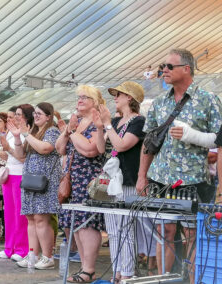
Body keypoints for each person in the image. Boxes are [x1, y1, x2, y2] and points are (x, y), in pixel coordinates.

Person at [136, 49, 222, 283]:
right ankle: (164, 279)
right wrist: (141, 176)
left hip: (195, 180)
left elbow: (220, 141)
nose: (164, 70)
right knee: (164, 232)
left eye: (169, 66)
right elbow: (149, 143)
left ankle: (193, 281)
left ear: (186, 69)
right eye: (163, 65)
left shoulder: (208, 99)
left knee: (193, 234)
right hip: (161, 180)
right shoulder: (159, 102)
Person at [93, 82, 154, 281]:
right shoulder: (117, 121)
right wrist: (101, 127)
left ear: (130, 98)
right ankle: (117, 272)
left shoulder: (139, 121)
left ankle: (126, 274)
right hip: (113, 181)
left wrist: (108, 124)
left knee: (127, 230)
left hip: (129, 179)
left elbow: (122, 145)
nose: (115, 98)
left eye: (118, 94)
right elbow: (103, 149)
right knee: (113, 231)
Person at [56, 86, 105, 282]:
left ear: (95, 102)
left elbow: (90, 150)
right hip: (72, 178)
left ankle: (89, 268)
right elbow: (60, 149)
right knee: (76, 223)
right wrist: (68, 131)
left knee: (87, 223)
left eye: (85, 97)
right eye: (79, 97)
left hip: (89, 179)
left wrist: (73, 132)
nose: (80, 100)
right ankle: (85, 268)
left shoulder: (95, 123)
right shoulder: (76, 122)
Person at [10, 102, 61, 270]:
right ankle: (32, 253)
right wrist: (18, 137)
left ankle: (48, 257)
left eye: (40, 113)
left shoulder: (52, 131)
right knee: (31, 218)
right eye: (35, 113)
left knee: (41, 219)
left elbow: (45, 148)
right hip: (31, 180)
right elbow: (20, 155)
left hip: (45, 181)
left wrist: (26, 134)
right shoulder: (33, 132)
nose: (36, 116)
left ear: (48, 116)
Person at [0, 104, 33, 261]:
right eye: (14, 115)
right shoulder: (12, 132)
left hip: (21, 174)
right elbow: (8, 155)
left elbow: (21, 157)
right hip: (9, 173)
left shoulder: (28, 132)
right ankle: (9, 246)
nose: (15, 118)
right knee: (9, 213)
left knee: (20, 214)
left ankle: (22, 248)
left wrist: (7, 149)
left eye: (18, 114)